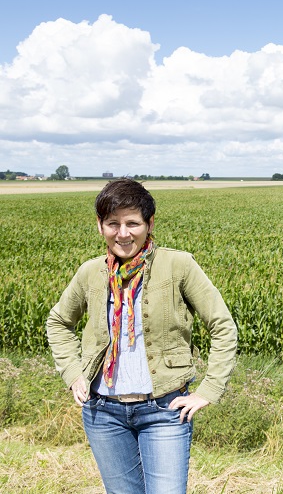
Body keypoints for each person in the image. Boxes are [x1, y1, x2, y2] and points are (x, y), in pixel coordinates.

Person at [47, 178, 238, 494]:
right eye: (113, 224)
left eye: (132, 223)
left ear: (149, 224)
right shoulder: (90, 273)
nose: (123, 233)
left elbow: (222, 325)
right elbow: (58, 322)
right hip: (102, 412)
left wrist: (209, 389)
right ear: (100, 226)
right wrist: (73, 373)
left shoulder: (178, 265)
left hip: (164, 410)